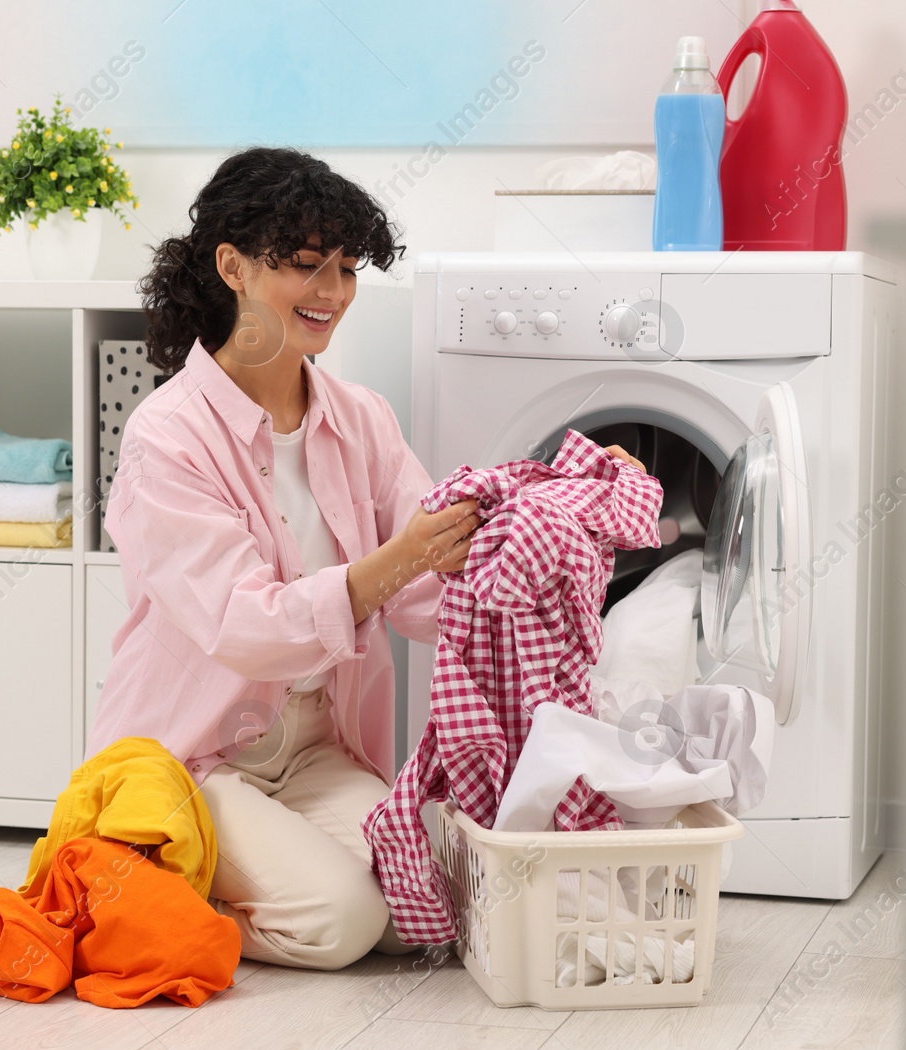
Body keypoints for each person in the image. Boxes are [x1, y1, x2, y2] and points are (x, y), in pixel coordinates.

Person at [89, 145, 643, 970]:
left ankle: (227, 879)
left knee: (429, 906)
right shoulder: (167, 439)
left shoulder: (360, 420)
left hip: (316, 747)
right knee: (345, 921)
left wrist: (566, 505)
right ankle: (154, 885)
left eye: (347, 268)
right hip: (199, 753)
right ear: (231, 267)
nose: (333, 293)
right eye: (307, 266)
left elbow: (430, 594)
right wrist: (398, 559)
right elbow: (243, 625)